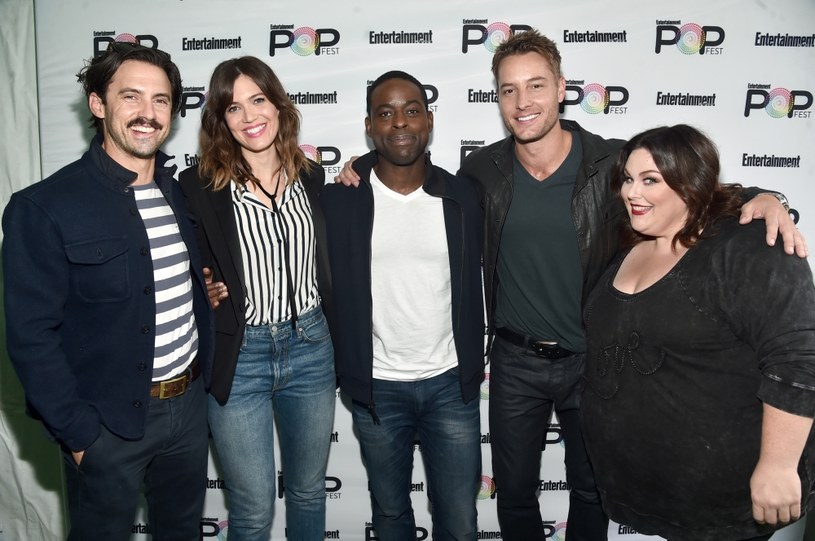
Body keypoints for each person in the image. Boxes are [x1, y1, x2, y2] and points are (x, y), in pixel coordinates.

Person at [335, 30, 803, 541]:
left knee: (590, 491)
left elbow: (684, 186)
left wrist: (762, 196)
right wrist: (357, 167)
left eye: (535, 85)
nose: (523, 101)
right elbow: (407, 174)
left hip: (594, 359)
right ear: (498, 100)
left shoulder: (611, 163)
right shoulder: (481, 172)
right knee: (513, 496)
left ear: (561, 88)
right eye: (509, 90)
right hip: (514, 363)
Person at [2, 42, 213, 540]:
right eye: (131, 97)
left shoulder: (177, 191)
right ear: (98, 103)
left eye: (161, 100)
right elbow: (31, 336)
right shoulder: (44, 207)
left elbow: (166, 282)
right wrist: (79, 436)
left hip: (188, 409)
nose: (148, 113)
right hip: (106, 424)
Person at [580, 124, 815, 541]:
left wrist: (778, 465)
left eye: (651, 180)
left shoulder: (746, 247)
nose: (633, 192)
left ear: (690, 182)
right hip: (657, 490)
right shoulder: (631, 242)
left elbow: (799, 356)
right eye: (629, 179)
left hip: (723, 498)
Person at [320, 71, 484, 540]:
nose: (400, 123)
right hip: (378, 388)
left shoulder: (462, 196)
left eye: (411, 110)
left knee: (459, 519)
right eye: (385, 113)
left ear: (429, 120)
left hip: (450, 383)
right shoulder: (339, 200)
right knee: (391, 516)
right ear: (369, 126)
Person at [178, 56, 335, 541]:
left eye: (258, 100)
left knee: (308, 491)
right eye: (233, 108)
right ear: (220, 121)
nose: (249, 117)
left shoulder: (312, 176)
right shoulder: (199, 186)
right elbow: (181, 259)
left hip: (311, 346)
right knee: (251, 509)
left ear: (278, 103)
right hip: (239, 354)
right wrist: (203, 284)